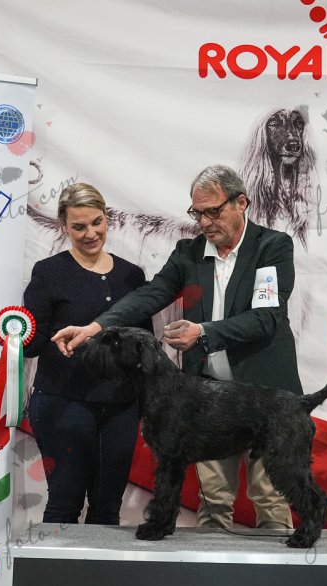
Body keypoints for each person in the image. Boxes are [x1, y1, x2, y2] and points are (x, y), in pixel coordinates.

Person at [52, 165, 301, 531]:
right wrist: (96, 327)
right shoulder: (188, 252)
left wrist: (203, 332)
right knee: (213, 502)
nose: (204, 223)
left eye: (213, 211)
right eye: (197, 213)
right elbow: (151, 294)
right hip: (208, 399)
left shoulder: (272, 246)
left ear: (241, 203)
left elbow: (266, 318)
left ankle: (280, 564)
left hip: (265, 393)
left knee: (270, 495)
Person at [23, 183, 149, 525]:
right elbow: (33, 341)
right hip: (62, 402)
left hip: (121, 407)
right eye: (79, 227)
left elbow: (144, 342)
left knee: (107, 510)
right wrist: (24, 337)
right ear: (64, 225)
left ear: (106, 218)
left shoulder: (132, 275)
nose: (90, 234)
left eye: (96, 222)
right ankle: (54, 564)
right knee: (64, 504)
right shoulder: (48, 272)